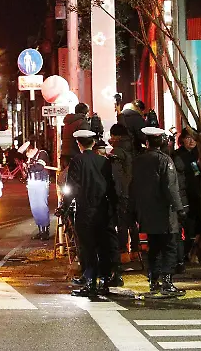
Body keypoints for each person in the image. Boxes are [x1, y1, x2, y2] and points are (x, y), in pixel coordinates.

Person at [129, 127, 185, 298]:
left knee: (153, 247)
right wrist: (179, 208)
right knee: (169, 247)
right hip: (164, 211)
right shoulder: (164, 160)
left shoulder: (138, 161)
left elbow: (133, 186)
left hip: (147, 211)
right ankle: (167, 282)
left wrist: (134, 209)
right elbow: (170, 187)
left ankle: (153, 280)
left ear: (147, 142)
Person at [68, 130, 116, 297]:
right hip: (103, 209)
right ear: (94, 143)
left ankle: (90, 282)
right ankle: (104, 281)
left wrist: (65, 207)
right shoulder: (104, 162)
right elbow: (111, 187)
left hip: (85, 209)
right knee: (103, 246)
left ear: (79, 144)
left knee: (88, 248)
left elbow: (72, 187)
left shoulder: (77, 161)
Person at [107, 124, 136, 277]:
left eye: (112, 136)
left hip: (122, 192)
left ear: (116, 136)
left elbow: (117, 176)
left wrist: (116, 193)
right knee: (131, 221)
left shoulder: (117, 152)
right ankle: (135, 250)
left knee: (121, 223)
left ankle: (123, 252)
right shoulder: (131, 146)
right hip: (132, 190)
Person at [172, 128, 201, 272]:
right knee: (188, 225)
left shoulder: (199, 154)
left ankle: (192, 252)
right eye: (188, 138)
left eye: (193, 138)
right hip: (185, 195)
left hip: (197, 193)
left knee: (196, 224)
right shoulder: (178, 156)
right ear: (182, 139)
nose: (191, 141)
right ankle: (184, 253)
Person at [19, 141, 52, 240]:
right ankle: (40, 230)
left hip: (41, 183)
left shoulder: (42, 154)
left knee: (42, 207)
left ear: (32, 149)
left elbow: (39, 166)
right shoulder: (30, 158)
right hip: (32, 184)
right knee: (35, 208)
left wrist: (28, 167)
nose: (27, 154)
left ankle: (45, 231)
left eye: (27, 151)